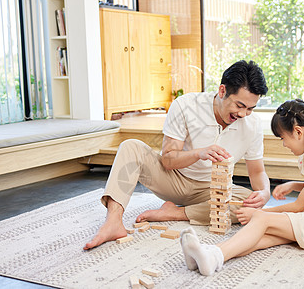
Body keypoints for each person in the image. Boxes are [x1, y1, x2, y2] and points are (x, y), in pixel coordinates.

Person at [84, 60, 270, 250]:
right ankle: (113, 222)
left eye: (250, 108)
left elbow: (257, 172)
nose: (244, 114)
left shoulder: (252, 125)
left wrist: (264, 193)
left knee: (250, 205)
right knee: (130, 147)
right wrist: (199, 153)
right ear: (222, 91)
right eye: (240, 105)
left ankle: (174, 213)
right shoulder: (186, 105)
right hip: (173, 180)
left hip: (211, 190)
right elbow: (168, 160)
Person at [180, 99, 304, 276]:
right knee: (261, 237)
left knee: (262, 220)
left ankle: (211, 255)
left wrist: (260, 214)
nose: (284, 144)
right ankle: (209, 257)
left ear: (298, 132)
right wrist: (294, 185)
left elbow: (298, 206)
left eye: (283, 138)